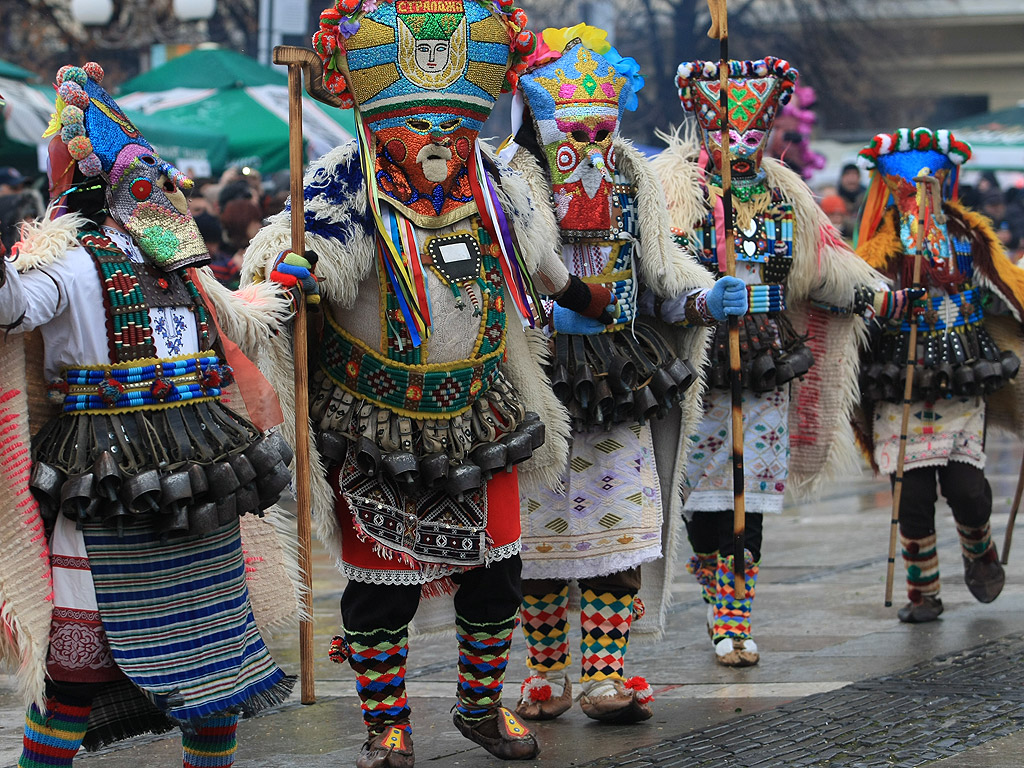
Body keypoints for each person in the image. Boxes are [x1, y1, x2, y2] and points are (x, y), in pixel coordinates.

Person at [243, 3, 615, 766]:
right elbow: (290, 256)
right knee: (383, 586)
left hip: (482, 410)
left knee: (498, 571)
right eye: (424, 126)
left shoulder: (500, 190)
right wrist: (294, 276)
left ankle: (480, 706)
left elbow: (546, 267)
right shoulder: (342, 188)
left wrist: (595, 299)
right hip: (377, 419)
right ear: (382, 127)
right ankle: (388, 723)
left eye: (455, 125)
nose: (441, 141)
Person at [0, 62, 298, 767]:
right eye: (142, 172)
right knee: (76, 664)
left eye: (157, 171)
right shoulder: (71, 260)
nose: (159, 182)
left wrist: (281, 282)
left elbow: (239, 316)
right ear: (102, 184)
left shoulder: (178, 255)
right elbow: (12, 310)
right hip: (102, 472)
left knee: (215, 655)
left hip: (201, 461)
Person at [500, 25, 746, 724]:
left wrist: (702, 297)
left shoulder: (632, 179)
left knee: (622, 526)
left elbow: (660, 274)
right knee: (537, 534)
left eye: (600, 128)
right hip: (537, 376)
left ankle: (606, 672)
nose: (586, 142)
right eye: (570, 128)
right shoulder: (504, 183)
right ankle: (545, 670)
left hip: (619, 374)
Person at [652, 57, 891, 667]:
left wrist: (871, 292)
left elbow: (821, 265)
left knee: (748, 488)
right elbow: (655, 270)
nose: (740, 146)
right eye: (728, 135)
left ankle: (737, 615)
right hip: (699, 355)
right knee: (703, 488)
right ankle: (717, 602)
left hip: (764, 359)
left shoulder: (787, 195)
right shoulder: (672, 191)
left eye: (752, 136)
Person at [852, 127, 1024, 623]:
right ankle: (922, 589)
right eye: (909, 186)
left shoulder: (968, 235)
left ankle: (980, 549)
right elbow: (855, 298)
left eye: (930, 184)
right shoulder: (879, 246)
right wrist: (887, 303)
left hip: (960, 374)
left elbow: (1002, 288)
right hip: (897, 378)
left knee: (968, 489)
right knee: (914, 497)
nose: (919, 194)